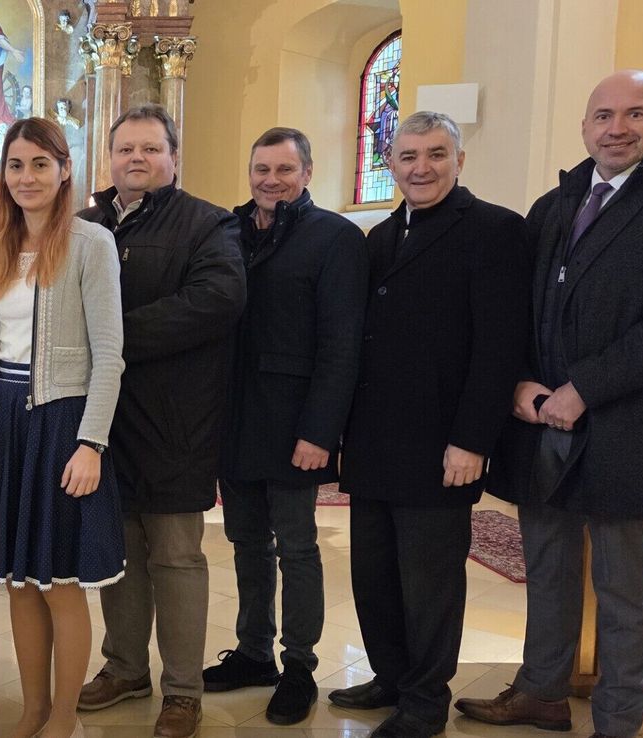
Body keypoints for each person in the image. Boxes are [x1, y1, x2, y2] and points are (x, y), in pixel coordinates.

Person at [456, 69, 643, 738]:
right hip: (544, 424)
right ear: (585, 126)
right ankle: (542, 691)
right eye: (604, 115)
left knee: (624, 590)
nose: (617, 127)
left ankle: (618, 720)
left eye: (635, 114)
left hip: (630, 425)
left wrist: (583, 388)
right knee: (550, 571)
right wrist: (522, 381)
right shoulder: (556, 203)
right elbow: (520, 307)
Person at [328, 111, 532, 738]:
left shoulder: (496, 231)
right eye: (408, 155)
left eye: (436, 154)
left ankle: (424, 700)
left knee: (430, 585)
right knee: (375, 574)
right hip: (373, 442)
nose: (421, 167)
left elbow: (500, 348)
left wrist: (471, 440)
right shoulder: (382, 236)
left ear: (459, 160)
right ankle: (390, 675)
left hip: (442, 445)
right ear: (391, 163)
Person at [76, 104, 246, 738]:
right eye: (125, 149)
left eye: (150, 148)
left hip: (178, 420)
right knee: (116, 552)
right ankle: (124, 667)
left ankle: (182, 690)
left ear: (173, 158)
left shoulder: (208, 223)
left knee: (176, 556)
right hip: (104, 422)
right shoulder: (86, 224)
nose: (136, 159)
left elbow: (218, 300)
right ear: (110, 158)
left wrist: (111, 337)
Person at [0, 117, 125, 738]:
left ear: (63, 171)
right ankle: (31, 709)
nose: (26, 177)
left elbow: (109, 352)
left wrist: (91, 442)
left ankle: (63, 717)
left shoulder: (90, 244)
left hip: (63, 421)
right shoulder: (0, 247)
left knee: (59, 582)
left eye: (38, 164)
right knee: (19, 583)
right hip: (4, 419)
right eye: (15, 165)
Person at [207, 128, 367, 725]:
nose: (271, 180)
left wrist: (321, 432)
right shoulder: (229, 230)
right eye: (261, 169)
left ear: (307, 172)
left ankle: (298, 665)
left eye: (284, 169)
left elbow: (342, 344)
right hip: (236, 418)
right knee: (246, 541)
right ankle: (253, 653)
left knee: (297, 548)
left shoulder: (335, 238)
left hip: (297, 423)